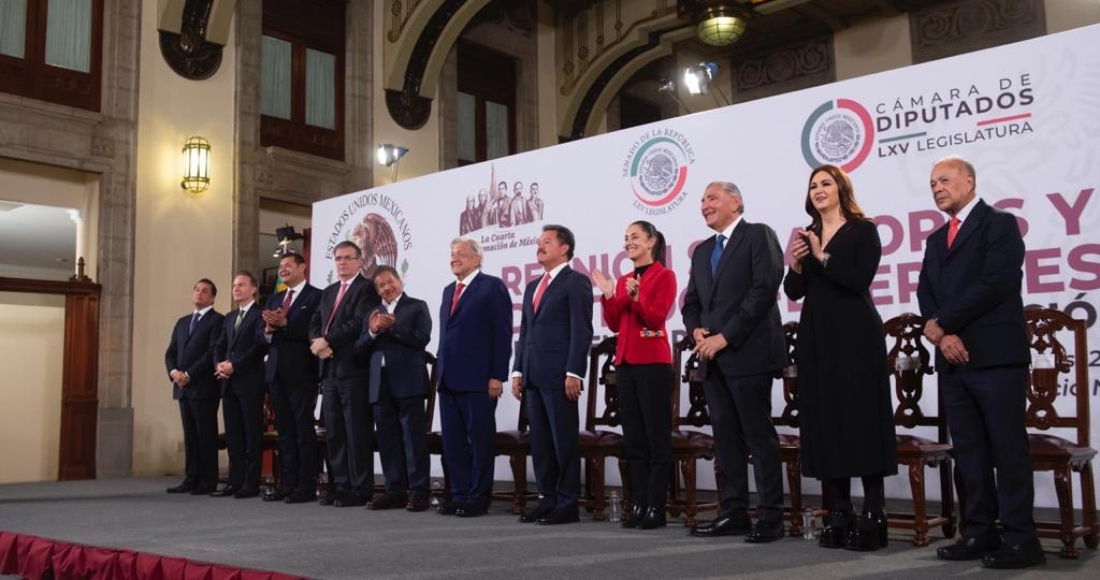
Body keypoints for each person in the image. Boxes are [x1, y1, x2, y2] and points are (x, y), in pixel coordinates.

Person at [917, 155, 1043, 569]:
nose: (937, 187)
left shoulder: (999, 224)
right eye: (933, 182)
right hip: (953, 361)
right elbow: (925, 292)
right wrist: (941, 333)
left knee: (1007, 450)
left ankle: (1023, 539)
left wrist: (943, 324)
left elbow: (996, 282)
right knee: (968, 451)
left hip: (994, 356)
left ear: (969, 181)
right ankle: (979, 531)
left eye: (946, 180)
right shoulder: (936, 240)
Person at [782, 165, 897, 550]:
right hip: (817, 337)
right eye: (813, 185)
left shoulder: (864, 229)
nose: (818, 189)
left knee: (860, 418)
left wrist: (822, 255)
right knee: (826, 419)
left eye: (826, 183)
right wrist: (796, 264)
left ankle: (874, 513)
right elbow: (795, 291)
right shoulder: (807, 233)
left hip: (856, 336)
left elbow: (857, 279)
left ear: (841, 188)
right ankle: (840, 510)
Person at [682, 181, 787, 543]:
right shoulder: (700, 251)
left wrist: (725, 336)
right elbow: (691, 301)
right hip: (712, 359)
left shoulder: (758, 235)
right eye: (702, 200)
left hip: (748, 352)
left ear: (735, 201)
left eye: (712, 197)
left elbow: (765, 288)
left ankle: (772, 517)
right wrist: (695, 331)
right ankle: (734, 512)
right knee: (725, 440)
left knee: (759, 438)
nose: (704, 204)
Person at [591, 221, 675, 529]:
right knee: (635, 440)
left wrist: (637, 298)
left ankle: (656, 506)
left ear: (651, 241)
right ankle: (637, 504)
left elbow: (655, 317)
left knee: (656, 438)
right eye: (626, 238)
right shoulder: (625, 278)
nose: (629, 242)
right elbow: (614, 324)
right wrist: (610, 295)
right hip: (625, 364)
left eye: (635, 237)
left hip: (653, 363)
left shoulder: (664, 275)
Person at [512, 225, 594, 525]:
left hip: (561, 376)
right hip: (533, 376)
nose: (539, 246)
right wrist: (518, 369)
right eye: (538, 242)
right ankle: (547, 499)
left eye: (546, 242)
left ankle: (568, 502)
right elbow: (525, 331)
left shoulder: (577, 283)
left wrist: (574, 371)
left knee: (563, 442)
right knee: (541, 444)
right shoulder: (533, 286)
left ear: (564, 248)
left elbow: (582, 330)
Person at [437, 237, 512, 517]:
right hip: (448, 380)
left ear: (477, 258)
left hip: (479, 380)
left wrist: (497, 376)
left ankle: (479, 497)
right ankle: (459, 494)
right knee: (454, 443)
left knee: (480, 442)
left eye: (460, 254)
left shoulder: (492, 287)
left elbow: (502, 335)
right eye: (452, 253)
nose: (454, 258)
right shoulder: (448, 291)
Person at [355, 265, 433, 512]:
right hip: (380, 383)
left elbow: (422, 339)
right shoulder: (372, 313)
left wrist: (393, 327)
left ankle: (419, 490)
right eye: (381, 285)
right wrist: (372, 331)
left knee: (413, 438)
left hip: (408, 381)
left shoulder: (417, 306)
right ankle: (394, 490)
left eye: (390, 282)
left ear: (400, 281)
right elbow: (359, 349)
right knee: (387, 439)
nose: (387, 287)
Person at [309, 240, 381, 507]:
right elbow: (314, 321)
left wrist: (328, 341)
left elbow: (357, 324)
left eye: (347, 258)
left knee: (356, 431)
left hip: (354, 370)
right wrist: (316, 343)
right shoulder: (328, 292)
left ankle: (360, 487)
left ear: (359, 261)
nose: (341, 262)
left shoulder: (367, 289)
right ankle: (340, 485)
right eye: (337, 258)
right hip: (328, 372)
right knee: (335, 432)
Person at [260, 252, 323, 504]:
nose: (283, 269)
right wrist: (266, 329)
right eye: (280, 266)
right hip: (276, 373)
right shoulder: (274, 298)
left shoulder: (316, 296)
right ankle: (287, 483)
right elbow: (261, 335)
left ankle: (305, 485)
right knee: (284, 431)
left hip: (302, 372)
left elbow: (313, 331)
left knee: (302, 430)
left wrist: (286, 324)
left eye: (288, 265)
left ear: (302, 267)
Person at [164, 279, 224, 496]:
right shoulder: (182, 322)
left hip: (204, 387)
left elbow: (211, 353)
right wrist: (174, 373)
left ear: (212, 297)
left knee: (206, 435)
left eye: (205, 291)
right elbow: (171, 353)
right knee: (190, 435)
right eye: (197, 290)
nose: (199, 293)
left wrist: (189, 374)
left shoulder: (218, 321)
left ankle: (208, 480)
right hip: (182, 387)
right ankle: (191, 478)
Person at [211, 271, 268, 499]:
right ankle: (234, 481)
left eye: (242, 285)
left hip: (250, 382)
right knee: (233, 435)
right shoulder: (229, 317)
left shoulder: (261, 314)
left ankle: (250, 484)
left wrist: (234, 365)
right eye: (234, 285)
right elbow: (218, 346)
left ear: (253, 289)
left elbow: (259, 348)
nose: (236, 289)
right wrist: (219, 365)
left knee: (251, 435)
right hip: (228, 383)